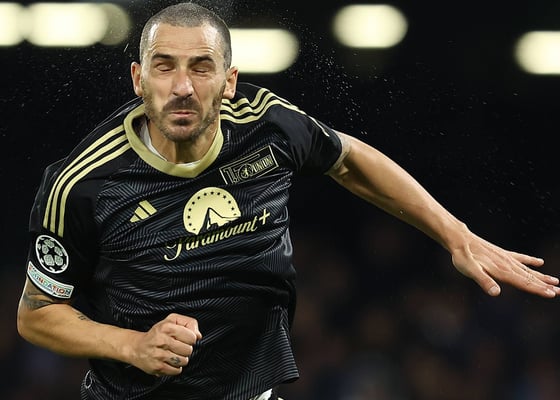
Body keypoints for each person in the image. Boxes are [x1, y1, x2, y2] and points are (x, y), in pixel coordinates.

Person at [16, 2, 560, 400]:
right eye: (165, 66)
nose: (182, 86)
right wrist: (133, 346)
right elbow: (37, 316)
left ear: (230, 81)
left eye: (201, 67)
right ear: (138, 79)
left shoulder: (268, 125)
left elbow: (349, 158)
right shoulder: (80, 184)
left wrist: (454, 235)